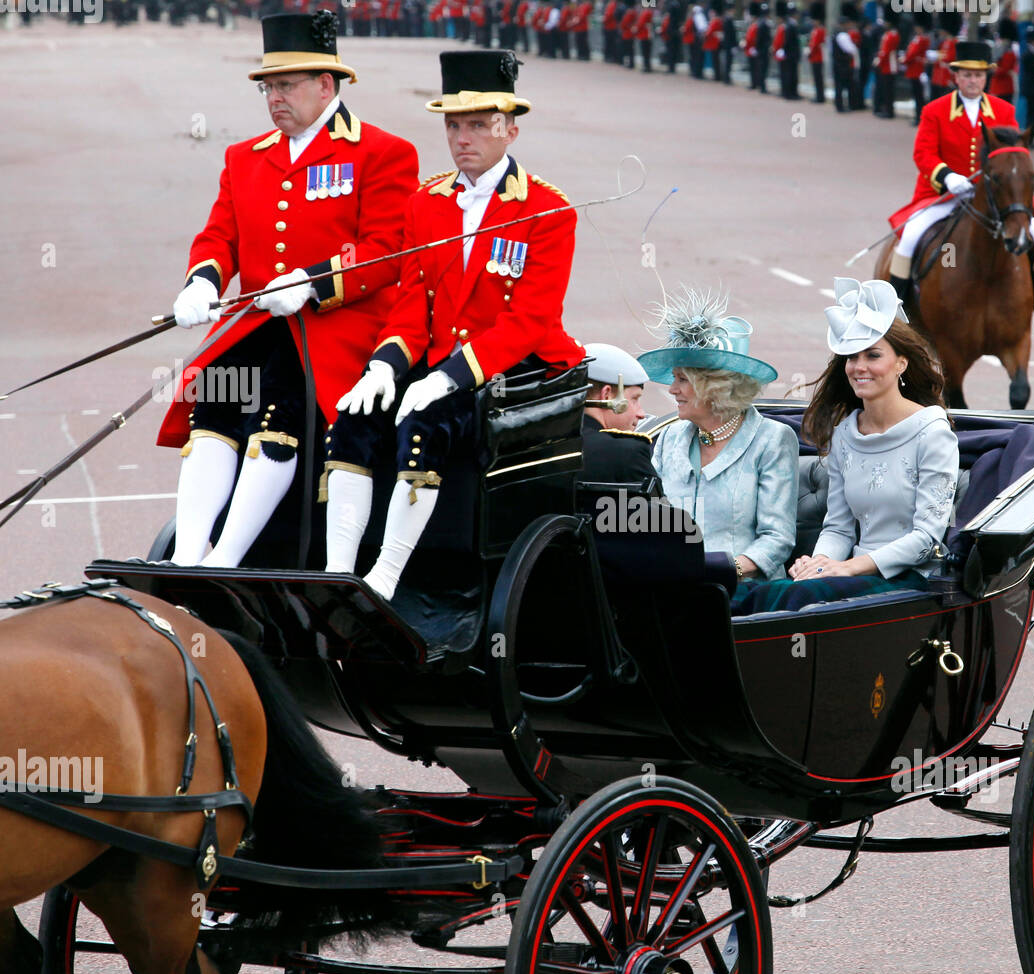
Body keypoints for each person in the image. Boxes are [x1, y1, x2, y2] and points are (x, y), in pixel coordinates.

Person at [157, 12, 419, 567]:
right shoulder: (245, 158)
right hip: (256, 321)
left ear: (326, 85)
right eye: (268, 87)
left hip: (334, 330)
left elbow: (386, 251)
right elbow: (219, 236)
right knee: (217, 403)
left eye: (286, 86)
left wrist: (312, 281)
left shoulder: (382, 152)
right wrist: (202, 280)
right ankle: (187, 555)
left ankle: (225, 559)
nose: (274, 98)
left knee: (275, 404)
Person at [323, 50, 584, 599]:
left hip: (513, 365)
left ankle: (386, 577)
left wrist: (448, 377)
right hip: (439, 356)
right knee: (353, 416)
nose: (463, 137)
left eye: (478, 125)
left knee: (425, 422)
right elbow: (412, 301)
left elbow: (530, 320)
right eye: (453, 125)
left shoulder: (548, 210)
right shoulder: (426, 203)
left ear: (509, 129)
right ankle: (337, 574)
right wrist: (383, 367)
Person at [732, 279, 957, 616]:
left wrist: (849, 568)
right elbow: (838, 526)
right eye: (851, 357)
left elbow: (926, 537)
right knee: (760, 593)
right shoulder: (845, 435)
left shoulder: (932, 431)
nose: (859, 366)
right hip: (853, 574)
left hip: (911, 580)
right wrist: (819, 564)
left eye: (873, 355)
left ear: (902, 363)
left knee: (796, 599)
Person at [884, 39, 1034, 336]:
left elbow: (1014, 155)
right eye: (967, 75)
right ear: (955, 77)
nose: (973, 81)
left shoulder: (1003, 110)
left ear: (986, 77)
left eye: (979, 75)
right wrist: (947, 177)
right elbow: (923, 154)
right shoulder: (935, 110)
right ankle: (894, 310)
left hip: (991, 197)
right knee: (912, 234)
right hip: (944, 193)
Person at [641, 290, 798, 585]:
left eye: (682, 379)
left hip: (745, 593)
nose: (672, 389)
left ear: (714, 386)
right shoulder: (669, 437)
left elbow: (777, 539)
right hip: (676, 589)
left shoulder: (772, 439)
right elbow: (654, 522)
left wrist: (723, 571)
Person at [577, 344, 658, 486]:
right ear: (606, 396)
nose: (641, 414)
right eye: (634, 398)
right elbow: (660, 508)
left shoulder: (542, 443)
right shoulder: (626, 453)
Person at [832, 4, 862, 112]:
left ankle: (840, 105)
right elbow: (851, 50)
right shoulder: (842, 35)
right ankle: (845, 105)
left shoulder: (836, 34)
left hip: (838, 63)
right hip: (843, 64)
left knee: (839, 87)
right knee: (845, 86)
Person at [902, 11, 931, 126]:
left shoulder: (921, 39)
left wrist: (904, 60)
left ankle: (920, 117)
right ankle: (918, 116)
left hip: (917, 70)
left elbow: (912, 53)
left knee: (919, 96)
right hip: (914, 69)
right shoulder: (919, 38)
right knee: (917, 95)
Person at [1020, 26, 1034, 147]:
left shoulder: (1030, 53)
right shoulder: (1029, 54)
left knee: (1032, 115)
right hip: (1032, 89)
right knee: (1032, 116)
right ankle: (1029, 138)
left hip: (1032, 88)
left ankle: (1030, 138)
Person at [807, 2, 827, 104]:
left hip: (817, 57)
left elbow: (815, 45)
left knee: (818, 78)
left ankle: (820, 97)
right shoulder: (815, 30)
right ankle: (818, 95)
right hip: (814, 57)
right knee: (816, 78)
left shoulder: (820, 30)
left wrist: (810, 51)